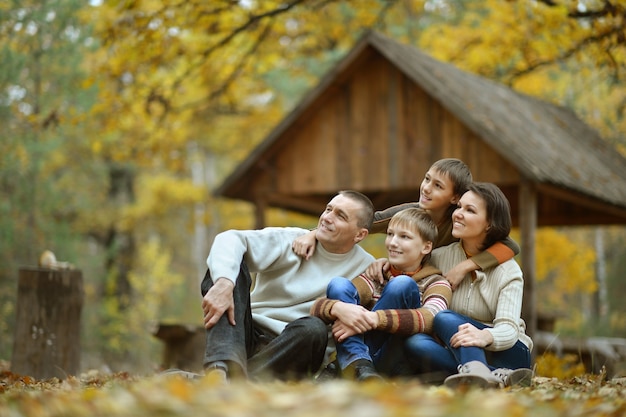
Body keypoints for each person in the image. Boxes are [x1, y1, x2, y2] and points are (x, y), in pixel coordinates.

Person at [200, 190, 376, 382]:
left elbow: (408, 224)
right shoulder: (292, 239)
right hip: (244, 336)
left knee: (314, 329)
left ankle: (231, 380)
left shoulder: (368, 268)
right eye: (328, 209)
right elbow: (229, 239)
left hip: (294, 348)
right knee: (225, 268)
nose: (327, 218)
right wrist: (225, 282)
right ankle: (221, 367)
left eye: (340, 216)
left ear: (360, 234)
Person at [292, 158, 520, 290]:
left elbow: (511, 246)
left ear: (455, 197)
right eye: (427, 179)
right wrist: (313, 234)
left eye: (438, 186)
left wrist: (464, 268)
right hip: (405, 281)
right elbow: (359, 222)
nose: (426, 188)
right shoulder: (407, 213)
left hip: (436, 286)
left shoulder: (459, 221)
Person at [404, 182, 533, 388]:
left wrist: (484, 335)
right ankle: (494, 376)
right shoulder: (437, 257)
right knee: (415, 343)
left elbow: (509, 329)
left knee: (444, 317)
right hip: (456, 349)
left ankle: (479, 369)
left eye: (470, 210)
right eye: (459, 207)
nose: (458, 214)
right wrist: (382, 264)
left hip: (506, 352)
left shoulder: (509, 271)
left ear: (489, 223)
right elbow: (407, 272)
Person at [310, 208, 452, 381]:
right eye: (390, 234)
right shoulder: (377, 276)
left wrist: (374, 319)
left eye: (404, 237)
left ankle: (345, 365)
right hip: (369, 362)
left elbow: (431, 319)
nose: (392, 242)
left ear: (426, 246)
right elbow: (317, 308)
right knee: (338, 284)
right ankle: (359, 364)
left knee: (402, 284)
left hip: (399, 359)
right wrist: (338, 308)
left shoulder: (437, 283)